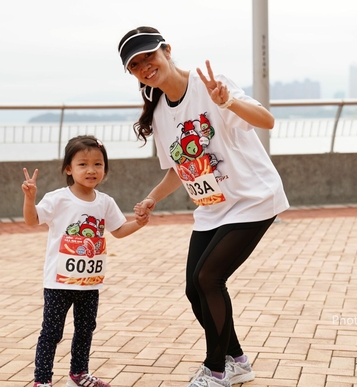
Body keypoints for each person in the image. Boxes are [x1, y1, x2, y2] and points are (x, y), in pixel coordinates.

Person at [118, 26, 290, 387]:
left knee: (208, 278)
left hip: (253, 198)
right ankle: (237, 361)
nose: (145, 66)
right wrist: (152, 198)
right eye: (135, 65)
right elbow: (179, 169)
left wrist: (227, 102)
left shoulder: (209, 84)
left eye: (149, 56)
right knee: (193, 289)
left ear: (167, 50)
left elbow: (267, 121)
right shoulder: (160, 113)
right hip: (212, 207)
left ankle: (215, 370)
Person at [22, 135, 149, 387]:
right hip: (59, 282)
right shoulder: (58, 198)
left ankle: (78, 374)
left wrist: (139, 223)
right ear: (69, 169)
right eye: (83, 164)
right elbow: (31, 220)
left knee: (85, 329)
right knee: (51, 333)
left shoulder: (105, 202)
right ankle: (42, 380)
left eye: (98, 164)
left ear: (105, 168)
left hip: (90, 282)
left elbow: (119, 230)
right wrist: (29, 198)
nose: (91, 170)